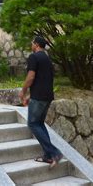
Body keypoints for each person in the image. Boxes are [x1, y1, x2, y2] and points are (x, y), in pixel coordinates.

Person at [18, 36, 63, 168]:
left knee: (32, 124)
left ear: (36, 45)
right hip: (47, 96)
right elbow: (43, 80)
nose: (31, 45)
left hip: (38, 97)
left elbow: (31, 77)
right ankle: (48, 156)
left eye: (32, 43)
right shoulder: (47, 59)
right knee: (39, 124)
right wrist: (30, 95)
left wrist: (23, 91)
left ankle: (54, 153)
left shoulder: (34, 57)